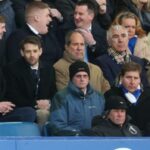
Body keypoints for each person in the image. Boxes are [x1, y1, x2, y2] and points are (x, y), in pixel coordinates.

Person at [3, 35, 56, 125]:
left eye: (35, 51)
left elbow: (53, 92)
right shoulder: (11, 69)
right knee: (41, 114)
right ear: (22, 52)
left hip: (44, 107)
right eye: (28, 51)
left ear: (40, 51)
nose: (32, 55)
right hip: (22, 108)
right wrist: (36, 104)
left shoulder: (49, 69)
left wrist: (49, 102)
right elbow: (13, 96)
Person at [48, 61, 105, 136]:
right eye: (78, 76)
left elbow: (106, 123)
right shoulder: (61, 97)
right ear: (71, 78)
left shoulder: (99, 97)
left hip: (97, 141)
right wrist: (79, 134)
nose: (82, 79)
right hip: (72, 142)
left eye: (85, 76)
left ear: (89, 78)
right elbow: (57, 125)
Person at [105, 62, 150, 135]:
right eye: (128, 77)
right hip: (121, 139)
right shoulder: (111, 95)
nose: (132, 82)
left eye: (136, 78)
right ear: (122, 78)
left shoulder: (148, 95)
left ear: (140, 79)